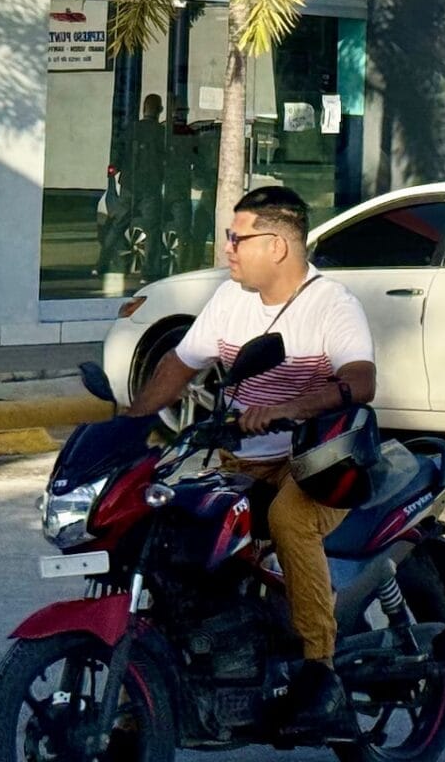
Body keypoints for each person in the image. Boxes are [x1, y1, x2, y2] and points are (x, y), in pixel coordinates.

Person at [127, 184, 376, 737]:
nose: (228, 250)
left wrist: (288, 406)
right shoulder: (230, 299)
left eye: (237, 238)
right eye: (228, 238)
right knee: (178, 523)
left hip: (315, 462)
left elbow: (360, 381)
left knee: (289, 519)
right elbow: (179, 363)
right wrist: (128, 421)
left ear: (279, 246)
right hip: (240, 459)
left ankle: (320, 670)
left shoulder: (331, 304)